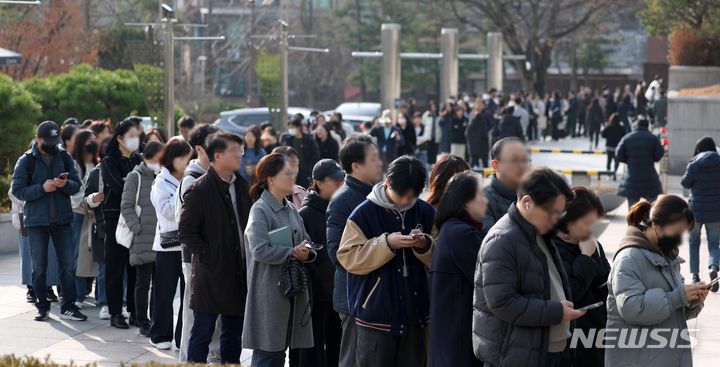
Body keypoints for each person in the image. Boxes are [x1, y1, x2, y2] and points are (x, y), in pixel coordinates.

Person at [472, 167, 584, 367]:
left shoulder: (538, 232)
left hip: (540, 348)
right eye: (552, 213)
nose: (557, 220)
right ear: (526, 203)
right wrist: (556, 311)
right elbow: (502, 303)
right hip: (514, 356)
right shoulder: (502, 240)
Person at [337, 156, 435, 367]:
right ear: (388, 183)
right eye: (402, 195)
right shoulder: (362, 214)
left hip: (416, 313)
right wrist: (386, 244)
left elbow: (441, 255)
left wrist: (424, 244)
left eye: (413, 196)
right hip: (375, 317)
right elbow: (348, 257)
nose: (407, 200)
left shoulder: (425, 212)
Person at [606, 196, 706, 367]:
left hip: (664, 354)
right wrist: (678, 297)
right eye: (675, 232)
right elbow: (632, 308)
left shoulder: (666, 255)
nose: (678, 238)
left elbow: (672, 309)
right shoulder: (629, 259)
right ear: (655, 224)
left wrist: (692, 300)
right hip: (636, 358)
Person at [178, 131, 251, 363]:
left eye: (241, 150)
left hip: (238, 272)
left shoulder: (243, 186)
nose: (240, 155)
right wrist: (210, 255)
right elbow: (186, 232)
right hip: (210, 273)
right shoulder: (199, 189)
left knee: (232, 336)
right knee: (202, 332)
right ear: (217, 156)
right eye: (234, 151)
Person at [243, 153, 317, 367]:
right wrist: (291, 252)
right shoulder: (260, 209)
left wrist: (308, 252)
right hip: (269, 292)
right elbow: (259, 250)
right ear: (270, 179)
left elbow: (308, 242)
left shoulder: (291, 207)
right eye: (287, 174)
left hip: (291, 290)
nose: (292, 178)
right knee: (267, 354)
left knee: (280, 352)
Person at [11, 121, 86, 322]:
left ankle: (68, 306)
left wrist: (64, 184)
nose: (52, 144)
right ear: (37, 138)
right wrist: (42, 188)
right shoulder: (26, 161)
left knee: (68, 266)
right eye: (48, 140)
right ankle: (42, 306)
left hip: (62, 221)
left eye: (55, 140)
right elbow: (18, 190)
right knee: (40, 267)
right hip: (36, 222)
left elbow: (77, 185)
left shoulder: (64, 156)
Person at [326, 135, 383, 367]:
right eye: (373, 158)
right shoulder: (343, 200)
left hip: (372, 294)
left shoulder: (373, 195)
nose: (380, 162)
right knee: (353, 359)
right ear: (356, 166)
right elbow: (337, 254)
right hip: (355, 296)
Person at [175, 124, 222, 362]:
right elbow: (187, 227)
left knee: (214, 315)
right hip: (196, 258)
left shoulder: (219, 176)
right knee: (193, 316)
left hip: (216, 258)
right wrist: (205, 251)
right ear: (199, 149)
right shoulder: (191, 180)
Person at [430, 171, 487, 367]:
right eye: (481, 195)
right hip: (458, 342)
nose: (485, 201)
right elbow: (487, 281)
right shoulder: (462, 234)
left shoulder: (453, 228)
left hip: (450, 340)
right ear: (466, 202)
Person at [550, 187, 610, 367]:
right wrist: (585, 258)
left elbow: (606, 282)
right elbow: (570, 293)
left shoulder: (592, 244)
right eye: (586, 223)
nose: (590, 230)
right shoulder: (552, 248)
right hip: (567, 344)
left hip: (596, 338)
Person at [296, 159, 346, 367]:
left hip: (339, 291)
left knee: (338, 348)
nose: (340, 183)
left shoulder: (340, 207)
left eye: (341, 178)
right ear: (318, 182)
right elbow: (304, 255)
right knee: (313, 351)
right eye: (334, 179)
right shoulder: (305, 213)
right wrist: (319, 276)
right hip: (315, 296)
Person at [148, 137, 192, 349]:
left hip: (187, 246)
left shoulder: (190, 178)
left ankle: (181, 335)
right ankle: (160, 336)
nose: (187, 162)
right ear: (172, 158)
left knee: (187, 294)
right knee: (163, 294)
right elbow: (166, 212)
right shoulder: (160, 181)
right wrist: (183, 192)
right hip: (167, 246)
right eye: (184, 158)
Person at [101, 118, 142, 328]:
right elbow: (117, 186)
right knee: (115, 268)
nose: (136, 140)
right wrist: (133, 182)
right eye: (132, 136)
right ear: (119, 138)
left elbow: (144, 185)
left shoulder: (139, 160)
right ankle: (116, 313)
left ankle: (136, 312)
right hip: (115, 218)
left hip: (136, 219)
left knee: (135, 267)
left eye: (137, 135)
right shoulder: (109, 161)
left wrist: (130, 180)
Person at [121, 141, 163, 336]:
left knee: (160, 284)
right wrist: (136, 227)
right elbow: (127, 205)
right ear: (149, 157)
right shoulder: (135, 176)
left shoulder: (163, 177)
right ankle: (141, 320)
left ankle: (156, 318)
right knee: (142, 282)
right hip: (142, 237)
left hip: (161, 238)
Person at [9, 180, 60, 304]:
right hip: (27, 216)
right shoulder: (24, 165)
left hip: (47, 217)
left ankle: (48, 287)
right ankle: (31, 289)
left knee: (49, 254)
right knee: (28, 254)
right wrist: (34, 198)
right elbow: (12, 193)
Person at [681, 137, 720, 288]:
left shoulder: (694, 163)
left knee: (694, 243)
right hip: (716, 212)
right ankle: (713, 267)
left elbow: (685, 183)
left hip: (695, 211)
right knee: (714, 244)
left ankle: (695, 276)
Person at [70, 130, 100, 308]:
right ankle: (78, 295)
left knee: (95, 257)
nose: (93, 143)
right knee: (78, 256)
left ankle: (98, 296)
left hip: (94, 214)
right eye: (90, 140)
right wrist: (85, 202)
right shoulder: (74, 165)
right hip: (78, 214)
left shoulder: (97, 165)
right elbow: (74, 193)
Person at [84, 140, 109, 319]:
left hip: (121, 228)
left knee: (122, 269)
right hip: (101, 226)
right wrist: (94, 198)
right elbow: (85, 201)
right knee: (103, 269)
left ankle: (121, 302)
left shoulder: (127, 171)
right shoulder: (95, 174)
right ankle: (104, 303)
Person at [616, 118, 664, 208]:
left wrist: (628, 161)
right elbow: (660, 153)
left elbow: (618, 154)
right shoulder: (653, 138)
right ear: (647, 126)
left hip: (632, 177)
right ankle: (648, 220)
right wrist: (652, 159)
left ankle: (633, 220)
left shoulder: (627, 138)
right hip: (649, 178)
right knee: (651, 206)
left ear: (636, 126)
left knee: (632, 206)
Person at [483, 138, 529, 230]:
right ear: (496, 165)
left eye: (525, 160)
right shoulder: (482, 199)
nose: (522, 166)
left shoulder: (532, 194)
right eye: (514, 160)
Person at [281, 116, 320, 188]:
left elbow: (315, 155)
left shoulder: (308, 139)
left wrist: (310, 169)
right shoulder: (288, 139)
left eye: (292, 127)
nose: (290, 130)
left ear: (298, 127)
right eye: (289, 128)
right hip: (291, 170)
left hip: (305, 171)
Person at [467, 100, 494, 169]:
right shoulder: (472, 114)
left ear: (483, 105)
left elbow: (491, 125)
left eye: (480, 104)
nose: (478, 106)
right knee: (474, 162)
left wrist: (485, 131)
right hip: (474, 141)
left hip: (483, 140)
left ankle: (486, 177)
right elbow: (469, 127)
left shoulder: (486, 114)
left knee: (485, 161)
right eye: (477, 104)